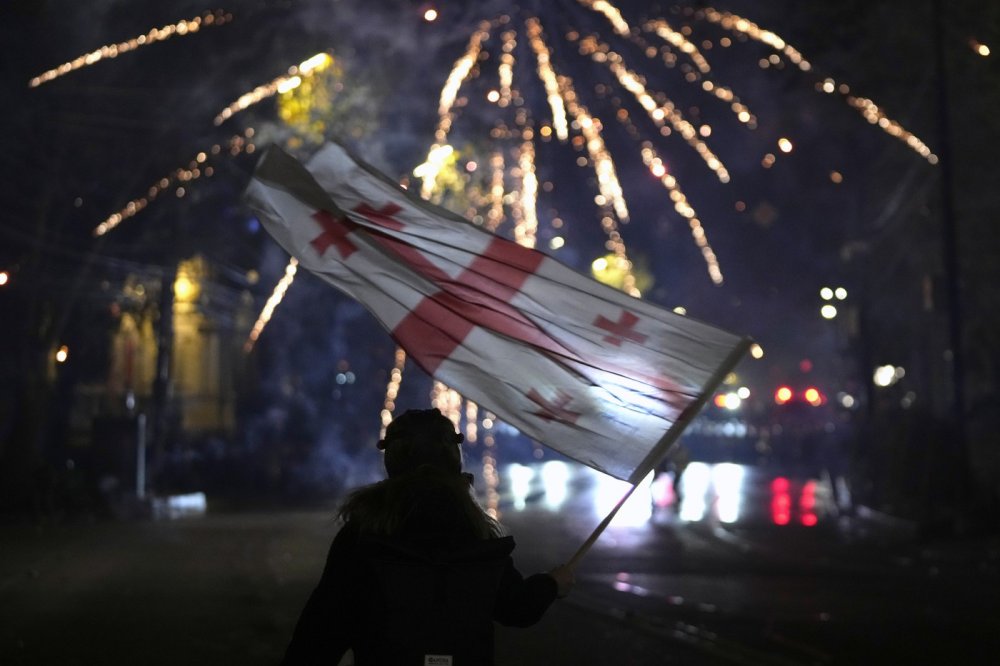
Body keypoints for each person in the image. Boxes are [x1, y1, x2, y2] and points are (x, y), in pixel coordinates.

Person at [281, 408, 575, 665]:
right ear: (453, 456)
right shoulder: (475, 532)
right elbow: (516, 607)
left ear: (392, 458)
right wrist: (551, 584)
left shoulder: (364, 535)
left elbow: (321, 634)